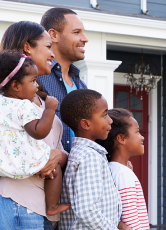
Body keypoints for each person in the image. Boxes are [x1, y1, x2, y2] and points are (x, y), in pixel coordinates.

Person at [0, 21, 69, 230]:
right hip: (11, 201)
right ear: (27, 47)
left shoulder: (39, 99)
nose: (53, 54)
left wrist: (58, 157)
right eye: (48, 46)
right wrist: (27, 161)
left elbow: (57, 151)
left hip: (38, 207)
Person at [59, 89, 131, 230]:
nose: (110, 120)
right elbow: (87, 210)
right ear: (86, 124)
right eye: (104, 115)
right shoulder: (89, 157)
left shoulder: (84, 153)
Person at [38, 7, 88, 152]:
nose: (85, 38)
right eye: (76, 32)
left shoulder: (82, 86)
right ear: (53, 35)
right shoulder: (36, 79)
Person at [96, 108, 150, 230]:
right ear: (121, 138)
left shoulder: (112, 169)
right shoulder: (123, 174)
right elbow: (130, 221)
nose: (142, 137)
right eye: (137, 132)